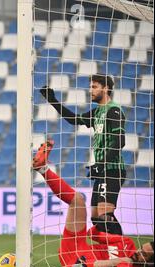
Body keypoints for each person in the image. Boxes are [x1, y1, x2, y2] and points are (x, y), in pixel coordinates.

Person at [33, 139, 153, 267]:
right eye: (141, 249)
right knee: (77, 201)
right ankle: (43, 168)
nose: (138, 252)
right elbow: (92, 234)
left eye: (143, 255)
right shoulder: (127, 243)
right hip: (76, 246)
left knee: (122, 261)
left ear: (150, 263)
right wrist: (103, 225)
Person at [40, 74, 126, 235]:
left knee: (104, 215)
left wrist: (101, 165)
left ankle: (122, 252)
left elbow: (119, 142)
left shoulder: (114, 111)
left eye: (94, 87)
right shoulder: (97, 112)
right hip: (103, 170)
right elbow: (74, 119)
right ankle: (112, 252)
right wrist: (53, 100)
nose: (90, 91)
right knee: (96, 217)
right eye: (90, 87)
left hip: (113, 170)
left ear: (106, 88)